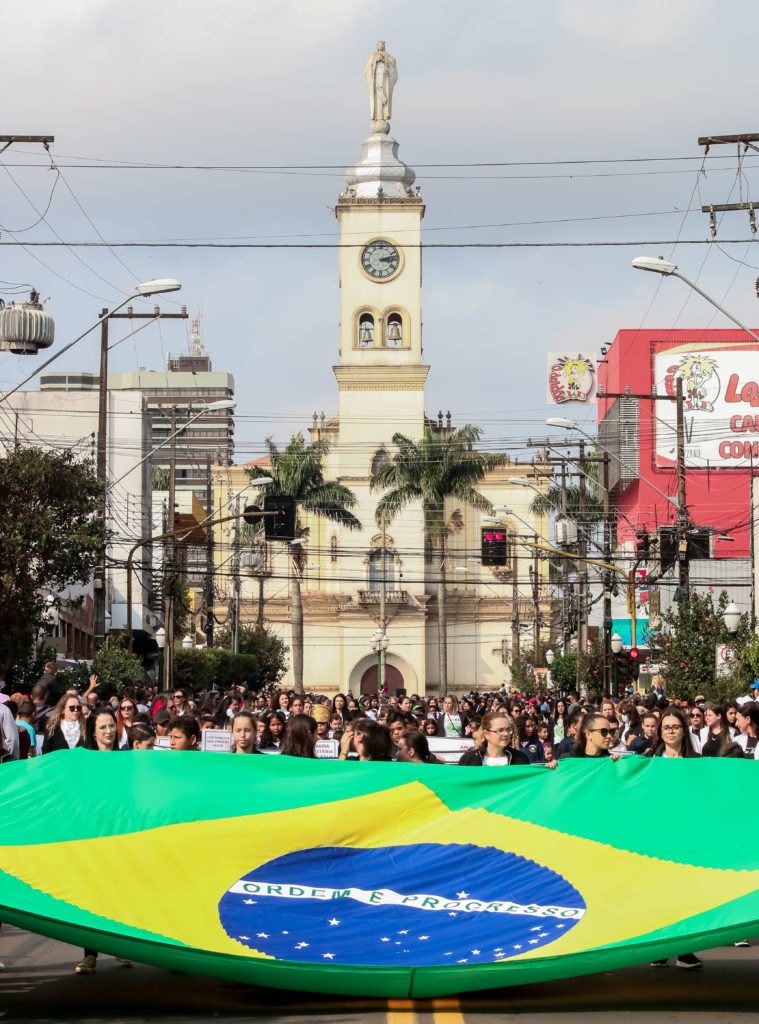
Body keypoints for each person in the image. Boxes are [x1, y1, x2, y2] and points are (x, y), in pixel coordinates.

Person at [458, 713, 530, 766]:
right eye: (500, 730)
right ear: (486, 734)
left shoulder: (520, 759)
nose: (506, 734)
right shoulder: (469, 760)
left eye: (508, 730)